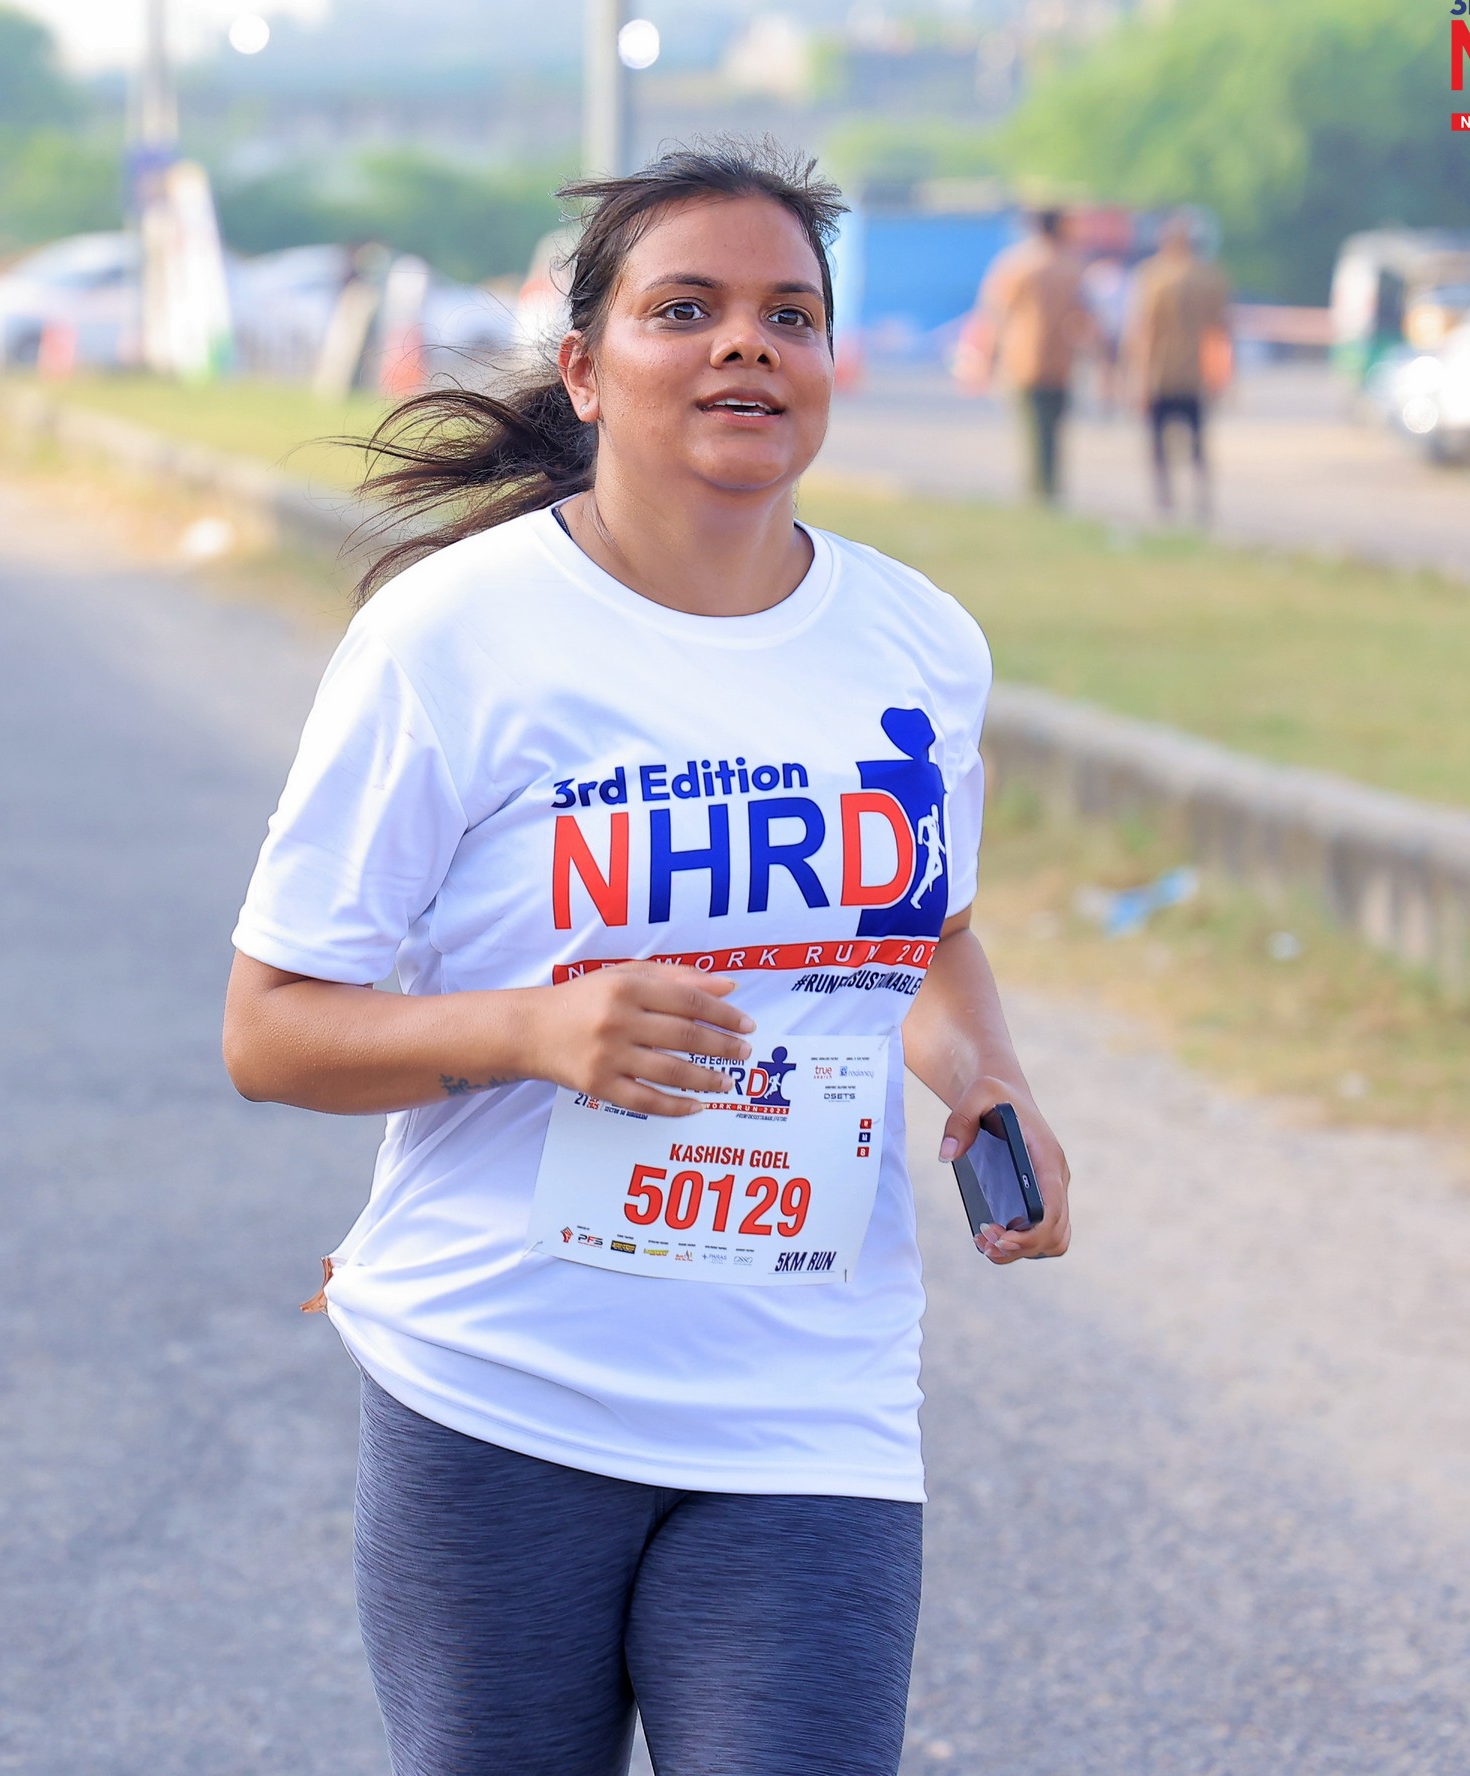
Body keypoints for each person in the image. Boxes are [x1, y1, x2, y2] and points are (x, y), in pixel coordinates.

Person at [222, 143, 1072, 1776]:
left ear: (829, 366)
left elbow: (931, 930)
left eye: (790, 314)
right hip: (500, 1390)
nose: (747, 341)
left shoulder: (917, 643)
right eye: (686, 309)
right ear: (584, 370)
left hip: (807, 1400)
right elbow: (271, 1033)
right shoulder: (453, 637)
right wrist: (534, 1033)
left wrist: (988, 1075)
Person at [968, 206, 1101, 504]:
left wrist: (986, 360)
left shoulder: (1017, 265)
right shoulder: (1072, 267)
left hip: (1024, 362)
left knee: (1033, 433)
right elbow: (1086, 320)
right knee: (1053, 434)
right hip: (1061, 363)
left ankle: (1037, 494)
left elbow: (996, 316)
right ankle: (1049, 492)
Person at [1122, 215, 1234, 521]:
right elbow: (1221, 332)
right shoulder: (1210, 277)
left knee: (1159, 444)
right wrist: (1223, 377)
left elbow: (1143, 331)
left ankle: (1165, 503)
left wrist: (1137, 377)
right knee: (1197, 444)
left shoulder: (1152, 277)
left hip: (1161, 374)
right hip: (1195, 375)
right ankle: (1201, 502)